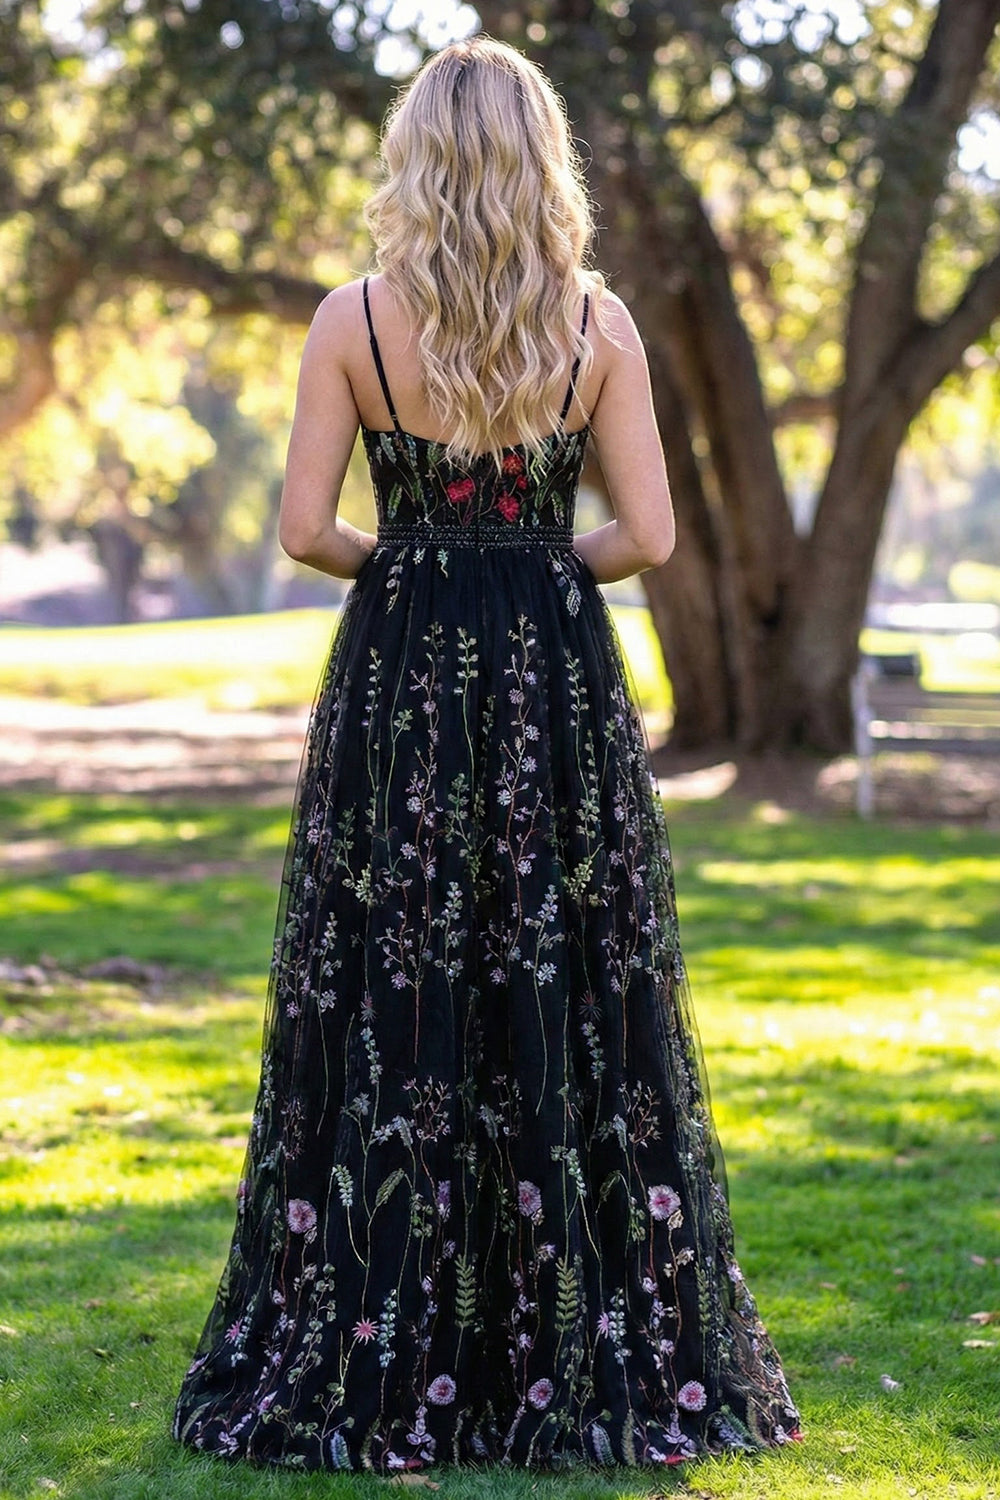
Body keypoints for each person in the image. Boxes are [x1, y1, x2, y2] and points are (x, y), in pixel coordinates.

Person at [172, 34, 801, 1474]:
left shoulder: (353, 320)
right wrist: (527, 564)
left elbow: (301, 531)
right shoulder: (595, 324)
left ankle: (392, 1337)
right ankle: (568, 1324)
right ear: (541, 163)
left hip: (400, 673)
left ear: (414, 160)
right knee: (562, 967)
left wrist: (417, 563)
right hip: (549, 677)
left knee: (395, 970)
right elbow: (648, 535)